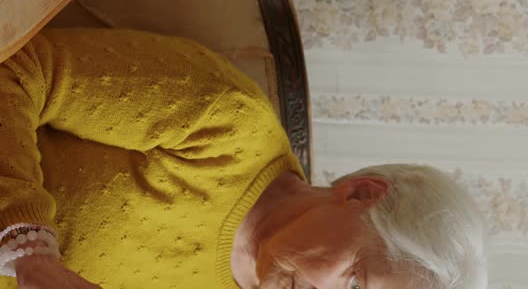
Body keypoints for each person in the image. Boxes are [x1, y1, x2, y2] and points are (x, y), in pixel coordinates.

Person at [0, 28, 487, 289]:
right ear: (360, 194)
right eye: (356, 284)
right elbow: (16, 66)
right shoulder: (228, 124)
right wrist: (29, 252)